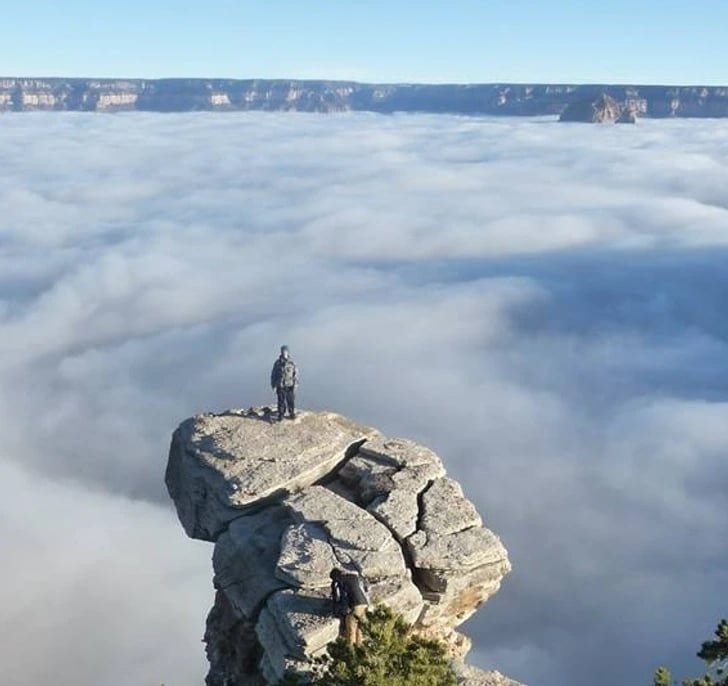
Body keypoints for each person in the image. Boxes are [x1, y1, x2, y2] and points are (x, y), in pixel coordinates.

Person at [330, 568, 370, 646]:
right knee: (359, 628)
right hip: (365, 604)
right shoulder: (354, 576)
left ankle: (351, 650)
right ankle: (360, 648)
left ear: (336, 577)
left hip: (356, 605)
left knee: (350, 625)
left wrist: (341, 611)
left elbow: (343, 597)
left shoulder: (341, 580)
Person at [270, 345, 298, 421]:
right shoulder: (277, 363)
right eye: (283, 351)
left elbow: (295, 374)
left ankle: (291, 413)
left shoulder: (292, 362)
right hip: (280, 385)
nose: (284, 352)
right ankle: (281, 415)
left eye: (285, 351)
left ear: (288, 352)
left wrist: (295, 385)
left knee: (291, 401)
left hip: (290, 385)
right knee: (281, 402)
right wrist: (273, 385)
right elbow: (273, 375)